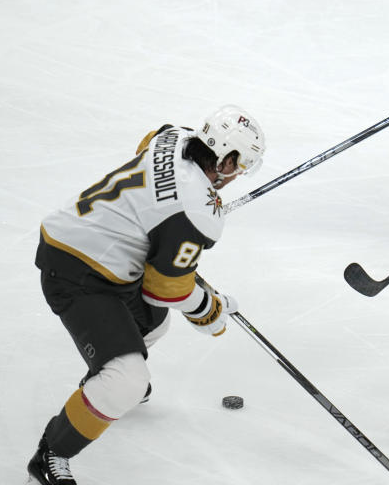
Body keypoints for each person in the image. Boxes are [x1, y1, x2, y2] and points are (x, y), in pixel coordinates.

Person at [26, 105, 266, 485]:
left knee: (153, 321)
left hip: (92, 248)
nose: (237, 176)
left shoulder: (174, 137)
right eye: (239, 166)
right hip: (77, 271)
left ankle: (104, 387)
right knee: (127, 381)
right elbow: (165, 287)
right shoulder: (197, 210)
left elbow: (149, 147)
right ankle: (50, 455)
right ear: (226, 160)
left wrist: (178, 214)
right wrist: (210, 312)